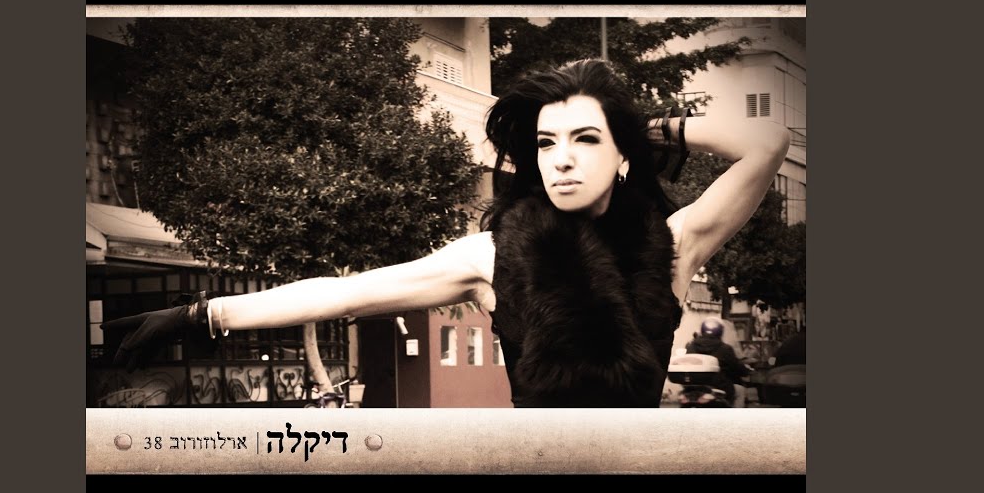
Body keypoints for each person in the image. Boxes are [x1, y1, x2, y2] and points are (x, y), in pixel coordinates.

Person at [105, 59, 790, 408]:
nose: (561, 158)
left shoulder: (674, 243)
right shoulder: (490, 256)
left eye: (586, 138)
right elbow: (344, 294)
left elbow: (767, 142)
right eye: (546, 142)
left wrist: (648, 126)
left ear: (625, 156)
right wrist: (201, 314)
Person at [684, 317, 752, 406]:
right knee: (740, 391)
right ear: (720, 332)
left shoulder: (691, 346)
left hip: (695, 386)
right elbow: (735, 367)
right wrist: (745, 371)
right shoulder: (725, 349)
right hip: (719, 386)